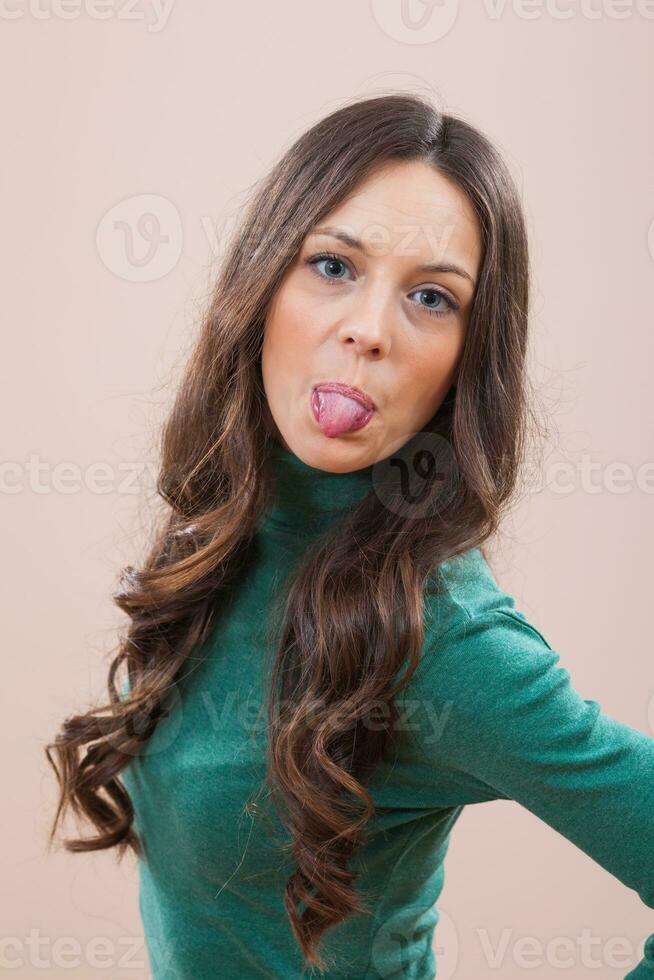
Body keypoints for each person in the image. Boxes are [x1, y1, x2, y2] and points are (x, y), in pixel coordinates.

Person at [45, 92, 654, 979]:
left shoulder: (443, 635)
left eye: (433, 297)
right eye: (333, 266)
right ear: (263, 283)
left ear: (465, 358)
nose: (368, 330)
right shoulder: (224, 525)